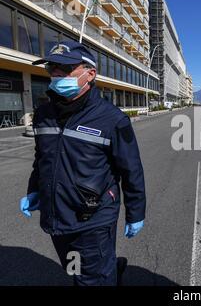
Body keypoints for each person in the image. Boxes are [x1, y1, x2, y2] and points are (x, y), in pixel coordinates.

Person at [19, 40, 147, 286]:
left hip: (93, 217)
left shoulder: (113, 119)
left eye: (65, 69)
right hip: (55, 215)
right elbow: (42, 158)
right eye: (51, 68)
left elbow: (131, 170)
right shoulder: (44, 114)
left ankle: (105, 273)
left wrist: (135, 212)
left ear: (90, 74)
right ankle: (110, 270)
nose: (56, 75)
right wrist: (34, 189)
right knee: (75, 269)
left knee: (91, 280)